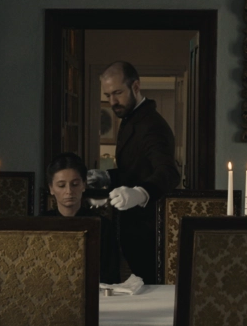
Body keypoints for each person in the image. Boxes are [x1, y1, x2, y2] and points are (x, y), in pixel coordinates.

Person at [88, 61, 179, 285]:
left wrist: (140, 193)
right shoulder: (131, 118)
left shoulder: (151, 125)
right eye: (108, 95)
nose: (112, 102)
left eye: (117, 93)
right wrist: (107, 177)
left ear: (136, 87)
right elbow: (134, 169)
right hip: (134, 230)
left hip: (150, 232)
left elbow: (169, 173)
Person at [42, 152, 121, 284]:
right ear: (51, 188)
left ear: (83, 185)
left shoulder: (101, 225)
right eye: (61, 185)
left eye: (75, 184)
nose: (69, 191)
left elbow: (111, 275)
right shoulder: (40, 224)